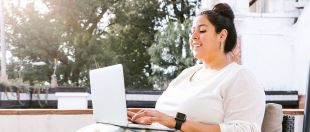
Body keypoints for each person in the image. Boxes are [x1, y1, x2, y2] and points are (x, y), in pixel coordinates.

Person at [127, 3, 265, 132]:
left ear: (222, 35)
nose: (193, 37)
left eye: (202, 30)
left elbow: (245, 129)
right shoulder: (187, 74)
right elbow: (164, 118)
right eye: (192, 32)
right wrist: (144, 117)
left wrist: (176, 123)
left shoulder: (239, 77)